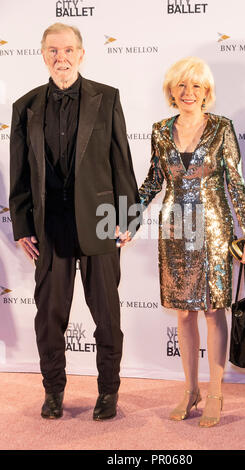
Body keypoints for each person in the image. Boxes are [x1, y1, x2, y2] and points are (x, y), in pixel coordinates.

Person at [9, 23, 140, 420]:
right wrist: (21, 227)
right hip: (50, 226)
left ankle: (109, 393)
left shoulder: (107, 97)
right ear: (43, 54)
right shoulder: (24, 106)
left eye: (68, 50)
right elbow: (18, 176)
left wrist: (129, 218)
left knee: (107, 315)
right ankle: (53, 393)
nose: (60, 57)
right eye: (53, 50)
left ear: (81, 54)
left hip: (101, 220)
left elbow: (122, 162)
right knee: (49, 317)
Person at [138, 57, 245, 427]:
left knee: (212, 310)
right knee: (184, 312)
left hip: (213, 227)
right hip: (175, 230)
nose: (189, 93)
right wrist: (128, 216)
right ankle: (191, 390)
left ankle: (216, 392)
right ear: (171, 92)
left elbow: (235, 182)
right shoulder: (160, 130)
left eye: (197, 87)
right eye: (182, 86)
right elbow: (153, 181)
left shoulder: (222, 128)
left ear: (207, 93)